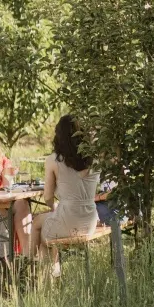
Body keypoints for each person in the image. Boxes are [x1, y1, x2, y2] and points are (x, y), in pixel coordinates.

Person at [23, 115, 101, 273]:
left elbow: (47, 197)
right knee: (49, 227)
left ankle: (26, 268)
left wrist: (54, 208)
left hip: (68, 219)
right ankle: (49, 275)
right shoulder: (95, 159)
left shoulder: (54, 160)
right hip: (89, 220)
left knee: (38, 223)